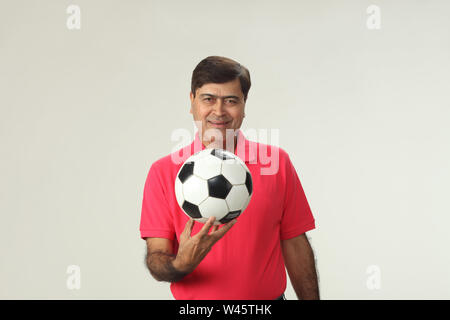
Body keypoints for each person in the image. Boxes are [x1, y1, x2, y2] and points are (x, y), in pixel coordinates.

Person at [140, 56, 319, 300]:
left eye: (231, 100)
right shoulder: (163, 172)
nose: (219, 111)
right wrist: (181, 263)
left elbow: (295, 243)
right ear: (192, 102)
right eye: (208, 99)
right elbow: (156, 256)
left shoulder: (276, 164)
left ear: (244, 104)